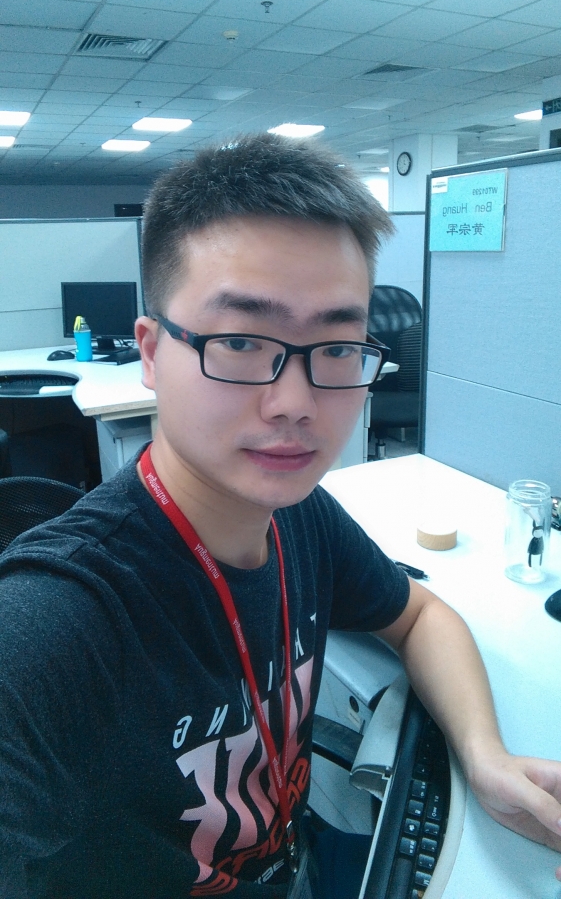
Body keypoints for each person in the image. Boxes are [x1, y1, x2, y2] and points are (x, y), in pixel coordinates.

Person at [0, 133, 560, 899]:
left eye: (336, 346)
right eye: (238, 340)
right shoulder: (54, 625)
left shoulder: (299, 517)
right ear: (151, 353)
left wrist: (483, 755)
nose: (294, 403)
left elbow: (419, 615)